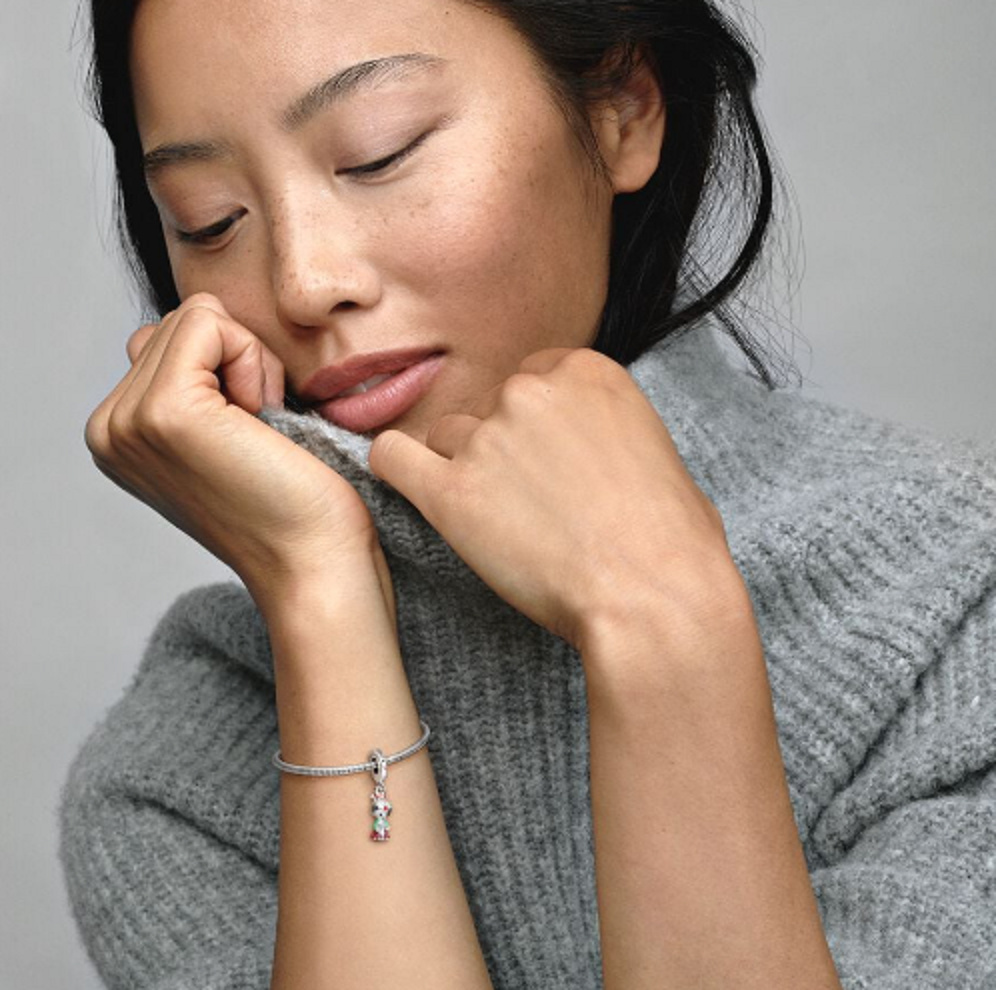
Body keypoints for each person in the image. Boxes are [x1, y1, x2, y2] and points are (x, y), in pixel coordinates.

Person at [59, 0, 996, 987]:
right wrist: (323, 599)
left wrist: (659, 624)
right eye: (209, 219)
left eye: (380, 153)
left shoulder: (957, 604)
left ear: (623, 107)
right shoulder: (176, 770)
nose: (302, 282)